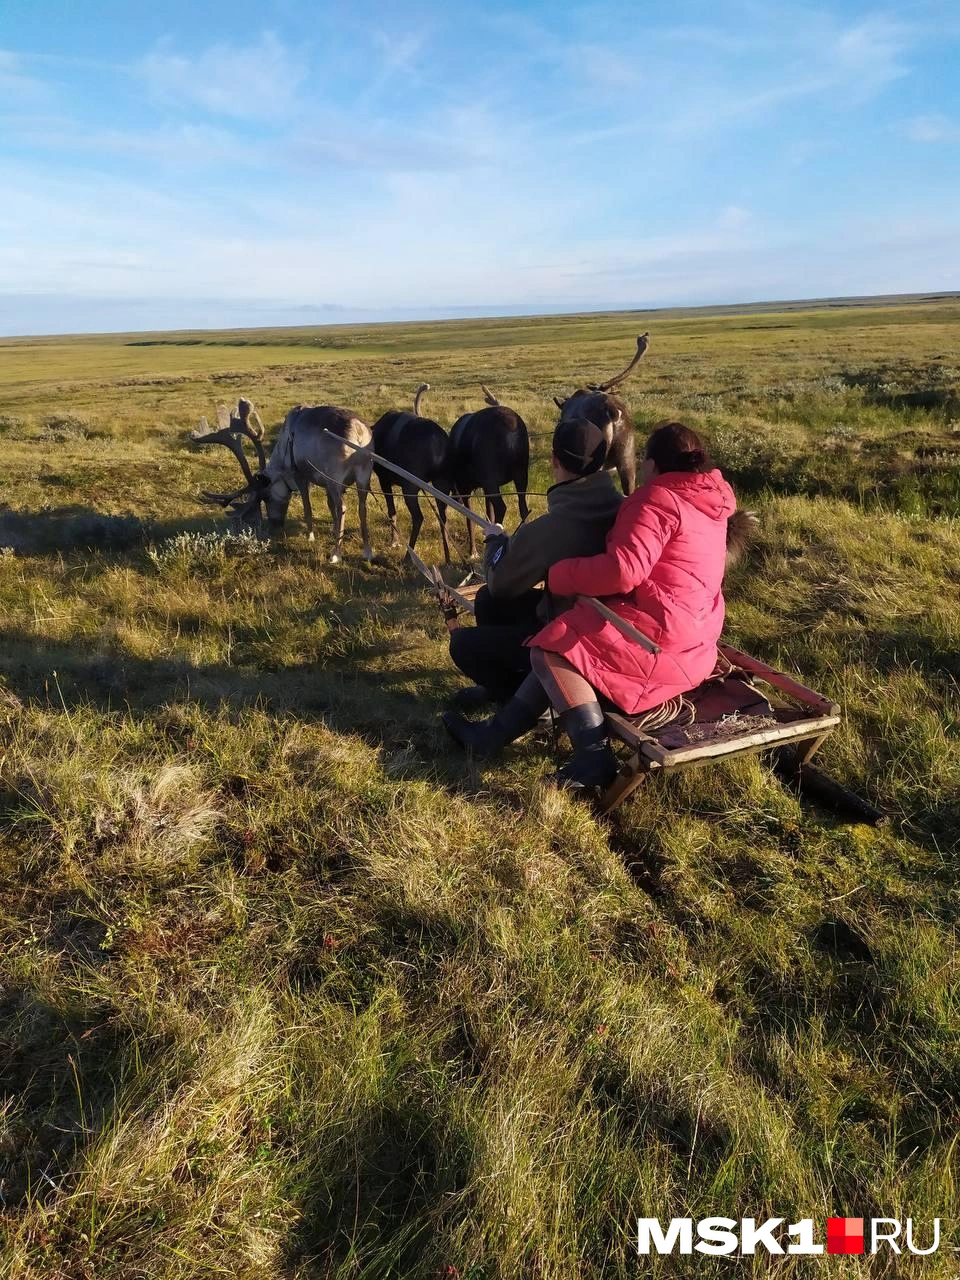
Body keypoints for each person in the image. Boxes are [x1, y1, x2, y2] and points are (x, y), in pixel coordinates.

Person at [442, 422, 738, 792]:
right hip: (697, 638)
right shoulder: (712, 503)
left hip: (661, 640)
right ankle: (493, 735)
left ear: (652, 464)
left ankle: (593, 757)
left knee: (555, 646)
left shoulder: (659, 499)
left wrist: (561, 575)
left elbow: (623, 570)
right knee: (566, 638)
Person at [446, 416, 623, 710]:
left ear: (554, 460)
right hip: (604, 623)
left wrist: (496, 542)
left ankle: (522, 699)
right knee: (486, 600)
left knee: (464, 644)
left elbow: (501, 583)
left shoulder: (552, 528)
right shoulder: (624, 508)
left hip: (570, 637)